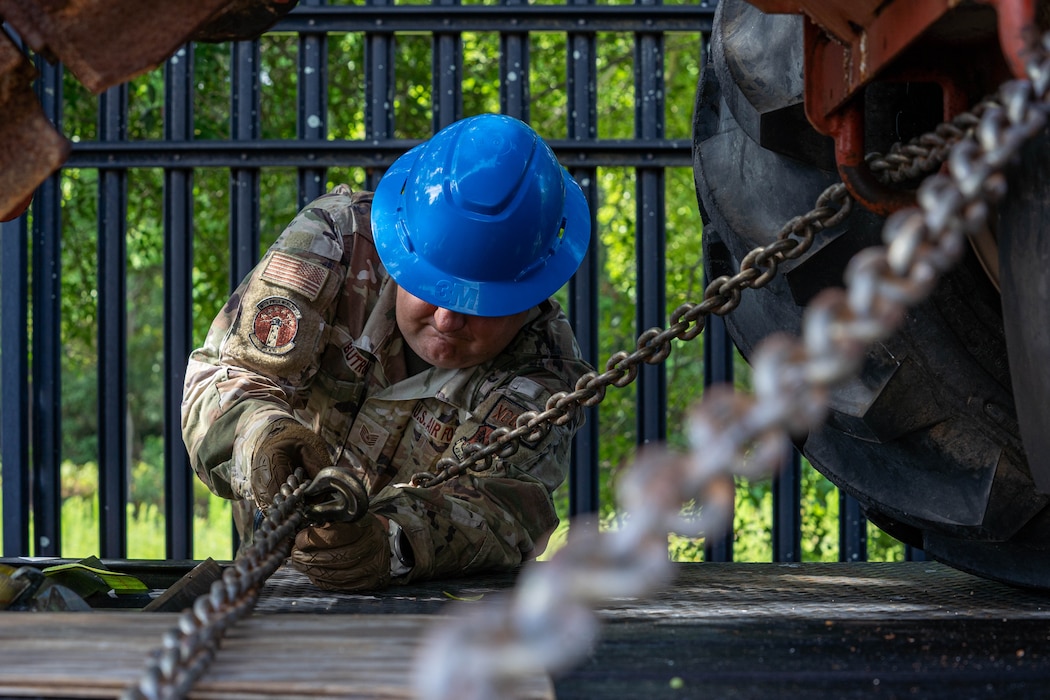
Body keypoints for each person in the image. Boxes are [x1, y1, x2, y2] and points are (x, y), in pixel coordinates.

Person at [181, 113, 593, 592]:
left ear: (530, 295)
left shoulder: (544, 374)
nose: (447, 321)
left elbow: (502, 508)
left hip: (437, 611)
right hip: (273, 580)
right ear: (397, 253)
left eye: (479, 305)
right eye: (430, 289)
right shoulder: (337, 242)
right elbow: (221, 378)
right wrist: (259, 437)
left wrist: (385, 542)